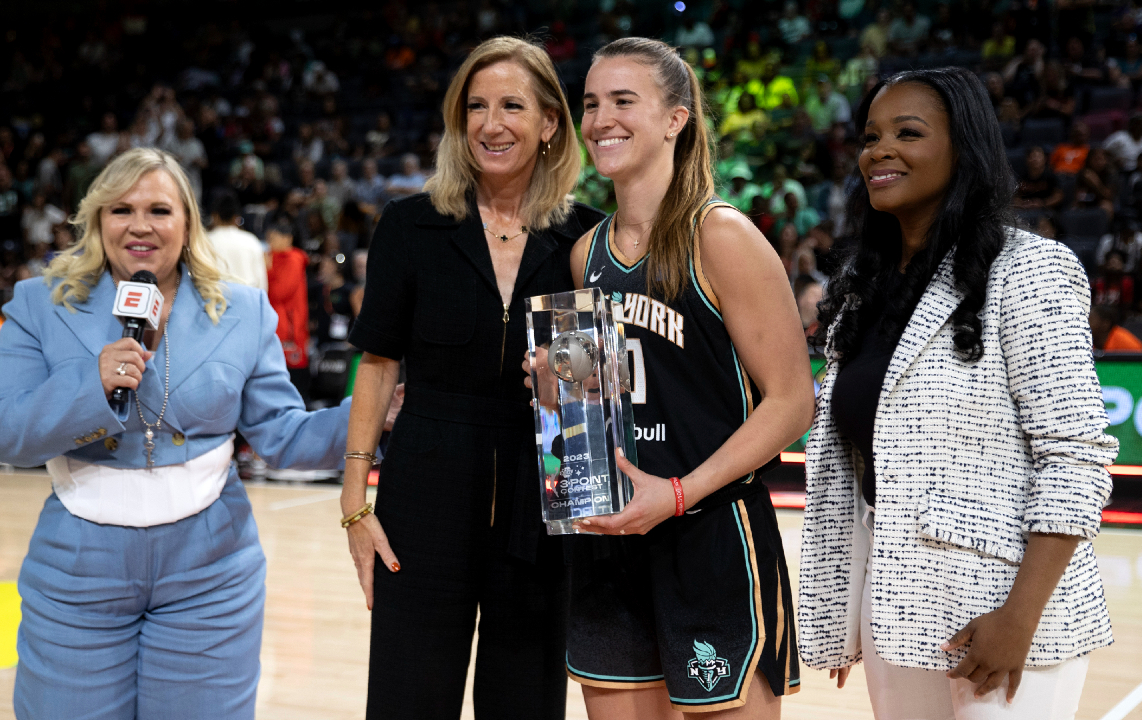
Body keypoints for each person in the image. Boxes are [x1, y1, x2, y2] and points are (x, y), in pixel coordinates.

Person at [0, 148, 359, 720]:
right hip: (77, 569)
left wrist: (376, 414)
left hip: (211, 570)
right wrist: (91, 385)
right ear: (98, 220)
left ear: (187, 223)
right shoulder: (40, 304)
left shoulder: (244, 312)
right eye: (120, 210)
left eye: (159, 209)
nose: (140, 226)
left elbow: (281, 435)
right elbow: (1, 432)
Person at [802, 68, 1117, 719]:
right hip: (896, 612)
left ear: (962, 148)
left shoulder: (1031, 269)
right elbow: (858, 470)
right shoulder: (864, 291)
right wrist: (844, 608)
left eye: (907, 133)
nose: (879, 150)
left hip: (1004, 613)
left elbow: (1076, 458)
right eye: (870, 136)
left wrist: (1018, 617)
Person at [342, 36, 604, 720]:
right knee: (407, 700)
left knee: (524, 703)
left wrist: (567, 391)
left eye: (512, 105)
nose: (492, 123)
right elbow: (377, 364)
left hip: (541, 504)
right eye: (476, 107)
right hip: (422, 493)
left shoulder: (585, 238)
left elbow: (582, 408)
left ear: (549, 123)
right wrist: (355, 506)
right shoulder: (410, 225)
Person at [560, 37, 813, 718]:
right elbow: (598, 398)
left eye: (622, 101)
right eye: (590, 104)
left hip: (708, 534)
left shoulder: (721, 236)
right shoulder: (586, 253)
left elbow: (793, 401)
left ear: (675, 118)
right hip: (612, 545)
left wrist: (676, 494)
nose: (600, 119)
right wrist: (555, 383)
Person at [265, 219, 311, 403]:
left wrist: (267, 269)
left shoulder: (293, 259)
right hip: (279, 325)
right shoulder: (275, 257)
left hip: (290, 329)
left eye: (273, 238)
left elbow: (278, 292)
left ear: (287, 238)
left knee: (292, 382)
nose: (270, 243)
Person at [206, 188, 268, 291]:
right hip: (248, 300)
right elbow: (261, 283)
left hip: (216, 301)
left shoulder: (206, 241)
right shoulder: (251, 241)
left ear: (214, 216)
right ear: (236, 217)